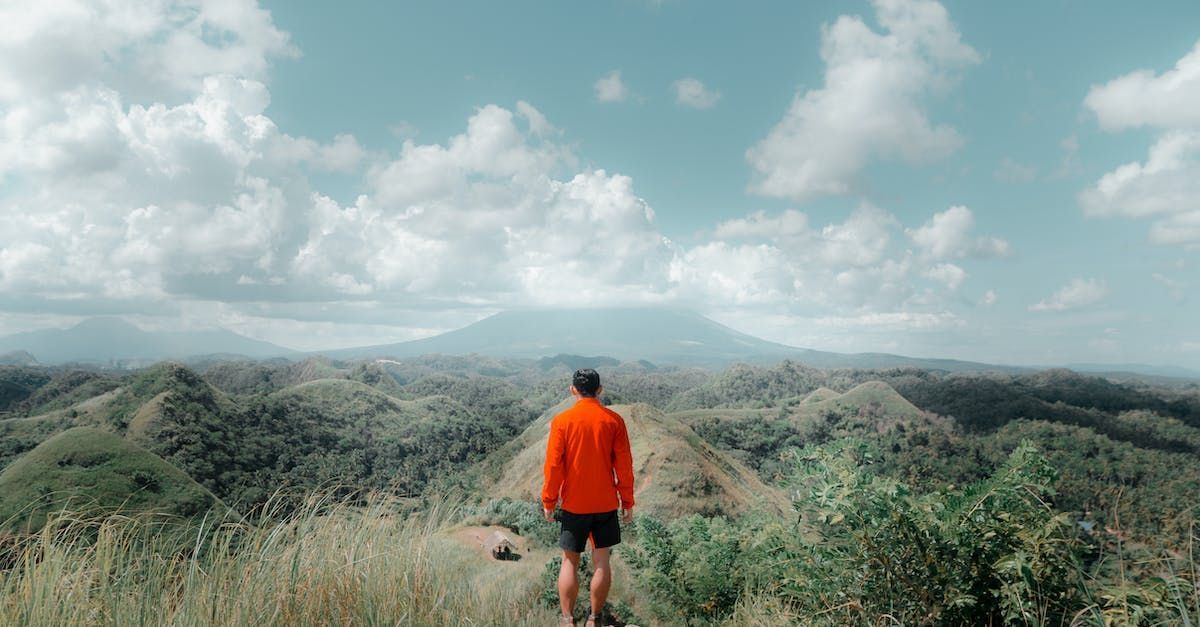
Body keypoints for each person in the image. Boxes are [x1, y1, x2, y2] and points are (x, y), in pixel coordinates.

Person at [541, 368, 635, 626]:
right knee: (602, 561)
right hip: (605, 503)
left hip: (574, 504)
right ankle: (594, 618)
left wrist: (549, 501)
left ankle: (567, 619)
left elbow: (553, 466)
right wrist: (627, 502)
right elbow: (624, 466)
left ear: (573, 390)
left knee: (569, 561)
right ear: (599, 390)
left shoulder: (562, 421)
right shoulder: (614, 421)